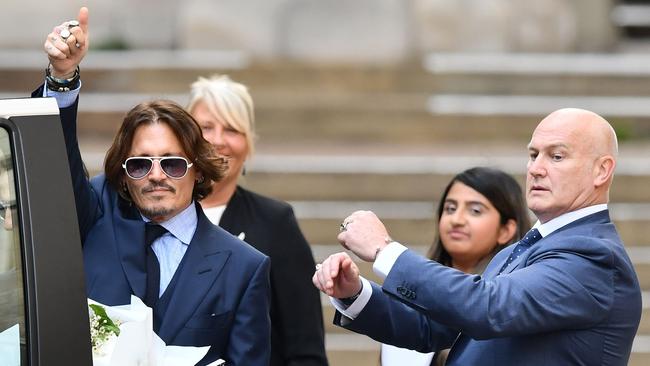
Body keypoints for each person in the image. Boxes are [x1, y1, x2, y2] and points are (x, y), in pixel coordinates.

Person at [314, 108, 642, 365]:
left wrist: (385, 251)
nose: (536, 169)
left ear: (602, 170)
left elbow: (488, 307)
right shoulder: (527, 248)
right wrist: (354, 293)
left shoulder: (594, 257)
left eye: (556, 156)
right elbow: (432, 328)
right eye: (533, 155)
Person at [36, 8, 271, 365]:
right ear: (125, 176)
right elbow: (55, 165)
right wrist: (62, 78)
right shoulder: (96, 219)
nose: (157, 175)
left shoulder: (244, 267)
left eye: (173, 163)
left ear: (198, 171)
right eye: (141, 163)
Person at [186, 75, 328, 366]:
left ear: (248, 144)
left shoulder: (275, 222)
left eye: (232, 129)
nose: (218, 140)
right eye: (207, 127)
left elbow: (305, 346)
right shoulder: (157, 215)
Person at [380, 167, 530, 366]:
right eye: (450, 208)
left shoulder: (506, 304)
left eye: (475, 211)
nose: (456, 220)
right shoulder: (409, 290)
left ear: (506, 230)